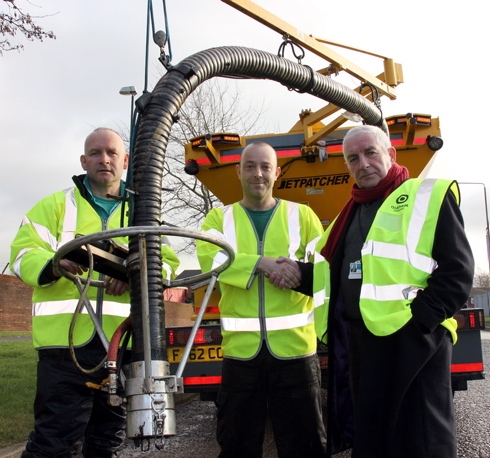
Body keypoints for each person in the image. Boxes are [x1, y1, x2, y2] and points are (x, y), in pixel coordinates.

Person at [278, 125, 474, 457]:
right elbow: (335, 275)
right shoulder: (348, 213)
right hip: (363, 343)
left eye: (371, 153)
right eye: (353, 158)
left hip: (416, 341)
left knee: (423, 438)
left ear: (391, 154)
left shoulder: (426, 196)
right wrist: (297, 272)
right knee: (375, 439)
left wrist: (422, 322)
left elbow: (457, 270)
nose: (363, 163)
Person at [10, 127, 180, 458]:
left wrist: (136, 276)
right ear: (83, 160)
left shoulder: (143, 212)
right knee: (53, 442)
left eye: (112, 153)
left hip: (123, 347)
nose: (104, 159)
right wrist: (54, 264)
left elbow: (168, 264)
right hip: (64, 348)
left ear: (125, 160)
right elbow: (21, 254)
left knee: (108, 441)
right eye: (96, 153)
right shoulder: (55, 205)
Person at [196, 141, 328, 458]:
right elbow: (210, 259)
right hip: (241, 355)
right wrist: (260, 264)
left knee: (305, 446)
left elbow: (323, 269)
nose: (258, 174)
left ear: (277, 173)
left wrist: (297, 273)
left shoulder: (304, 216)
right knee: (237, 445)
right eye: (251, 166)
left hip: (296, 352)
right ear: (238, 172)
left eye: (265, 167)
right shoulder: (218, 219)